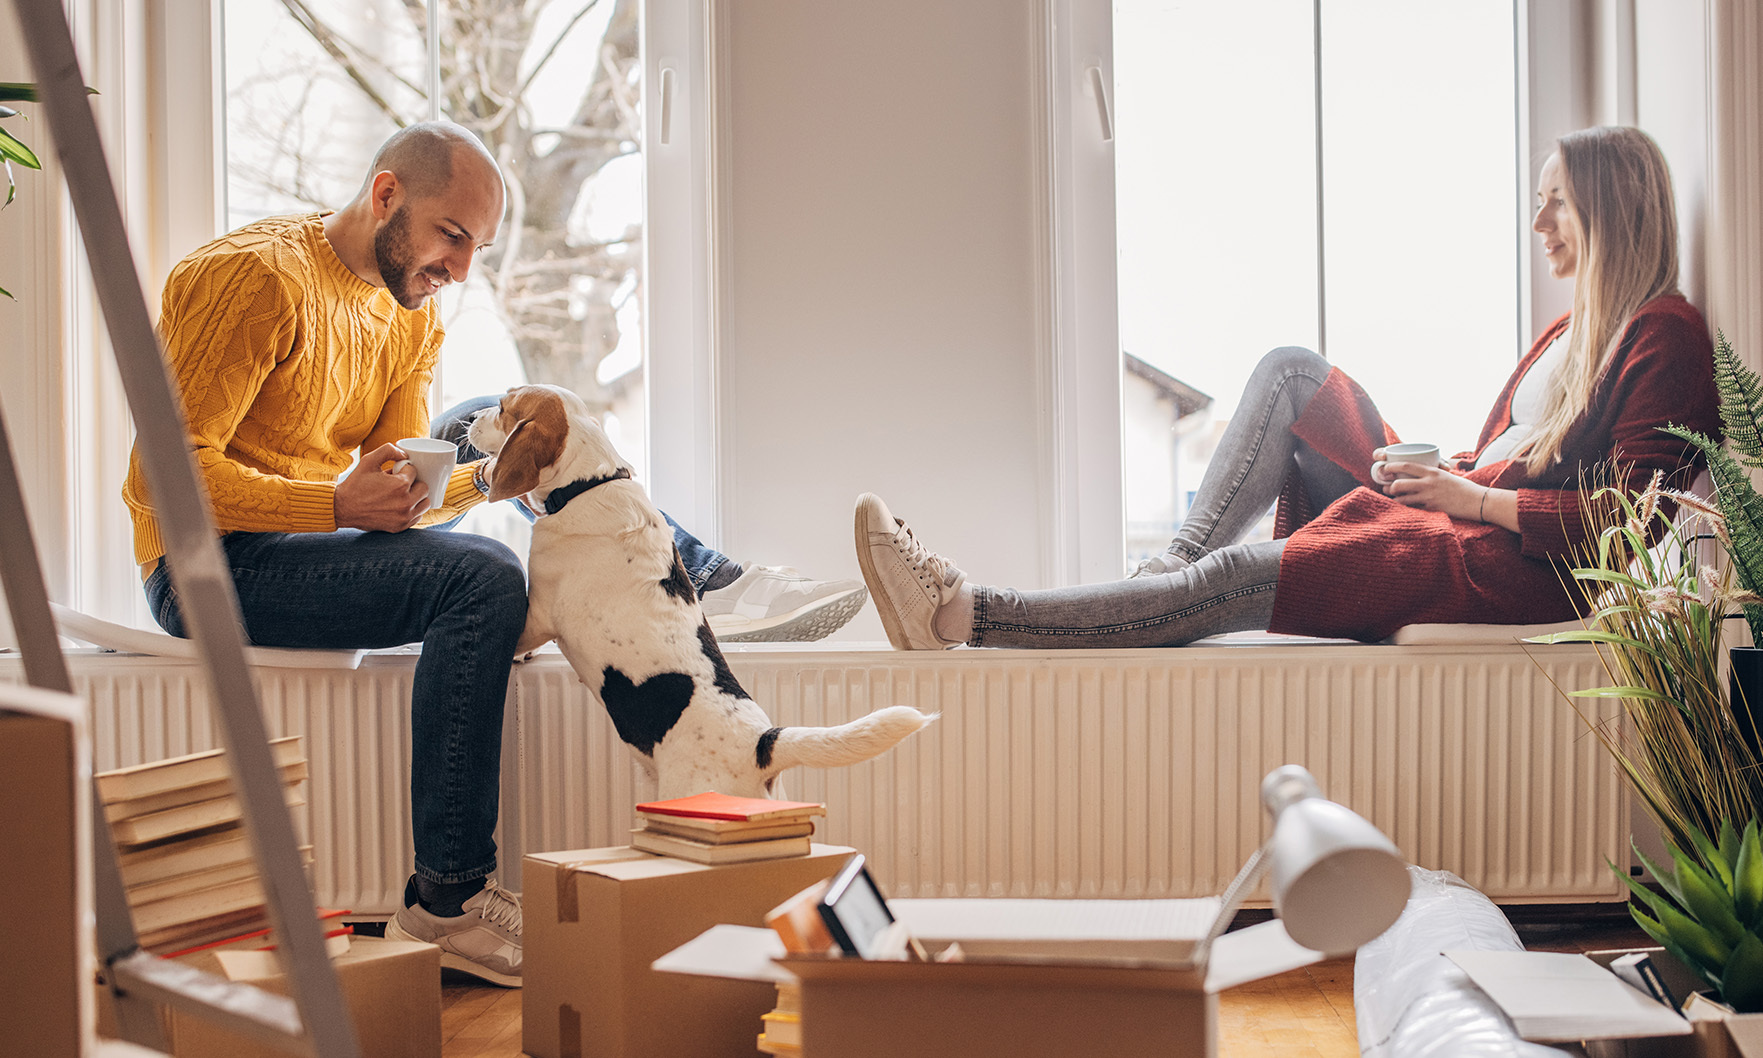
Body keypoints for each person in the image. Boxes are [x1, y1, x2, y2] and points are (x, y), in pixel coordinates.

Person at [120, 121, 859, 987]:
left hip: (317, 536)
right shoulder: (252, 280)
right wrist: (331, 501)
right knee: (483, 577)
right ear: (386, 194)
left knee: (512, 411)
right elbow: (159, 480)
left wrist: (484, 475)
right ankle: (448, 901)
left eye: (478, 247)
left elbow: (405, 475)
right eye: (452, 236)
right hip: (210, 565)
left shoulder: (407, 310)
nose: (462, 270)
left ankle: (697, 572)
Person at [855, 126, 1721, 649]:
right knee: (1292, 371)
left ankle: (961, 611)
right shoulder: (1569, 333)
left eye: (1557, 204)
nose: (1537, 224)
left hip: (1486, 561)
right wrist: (1441, 476)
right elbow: (1503, 457)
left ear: (1612, 208)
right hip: (1448, 510)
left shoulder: (1664, 334)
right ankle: (1166, 571)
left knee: (1222, 584)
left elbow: (1629, 525)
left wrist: (1464, 497)